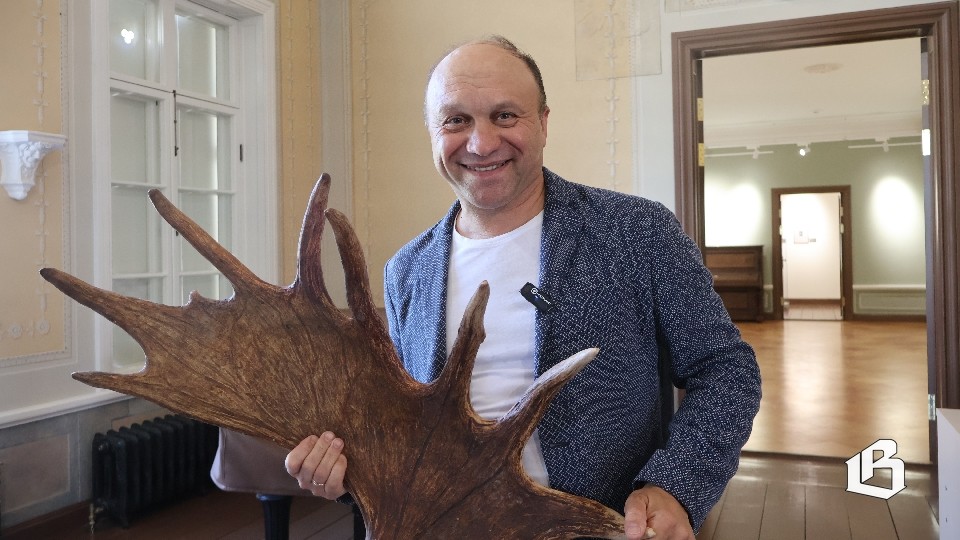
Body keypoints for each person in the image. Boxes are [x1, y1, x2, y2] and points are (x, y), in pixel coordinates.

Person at [286, 35, 761, 540]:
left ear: (543, 123)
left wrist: (673, 485)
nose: (481, 143)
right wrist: (343, 469)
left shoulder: (637, 231)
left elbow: (726, 370)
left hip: (600, 528)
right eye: (456, 120)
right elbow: (404, 424)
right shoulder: (407, 269)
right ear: (432, 132)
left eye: (505, 115)